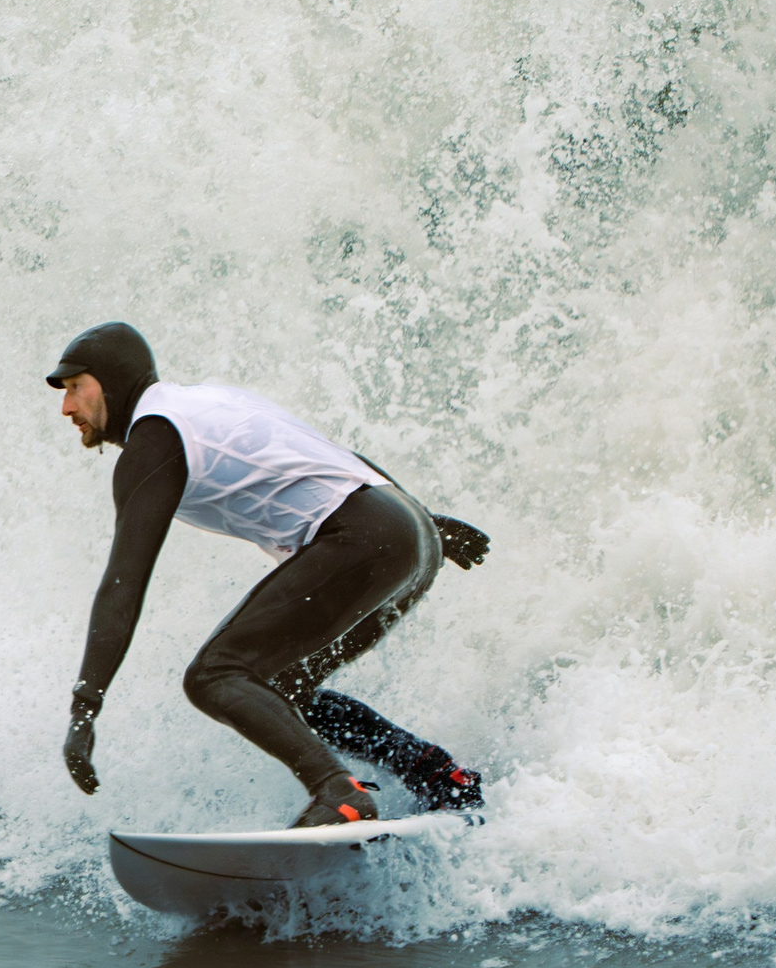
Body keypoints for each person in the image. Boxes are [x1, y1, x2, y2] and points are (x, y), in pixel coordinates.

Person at [48, 321, 487, 828]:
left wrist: (85, 707)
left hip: (364, 537)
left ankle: (338, 793)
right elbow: (333, 454)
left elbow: (123, 583)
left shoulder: (155, 439)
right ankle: (433, 772)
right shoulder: (209, 402)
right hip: (407, 535)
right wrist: (423, 522)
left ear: (115, 381)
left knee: (215, 675)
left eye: (77, 388)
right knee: (279, 689)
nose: (67, 408)